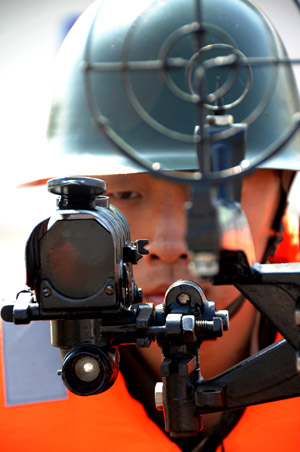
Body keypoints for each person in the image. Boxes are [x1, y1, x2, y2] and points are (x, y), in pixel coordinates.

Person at [1, 0, 300, 451]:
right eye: (122, 194)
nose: (167, 242)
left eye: (213, 189)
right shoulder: (7, 377)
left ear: (283, 190)